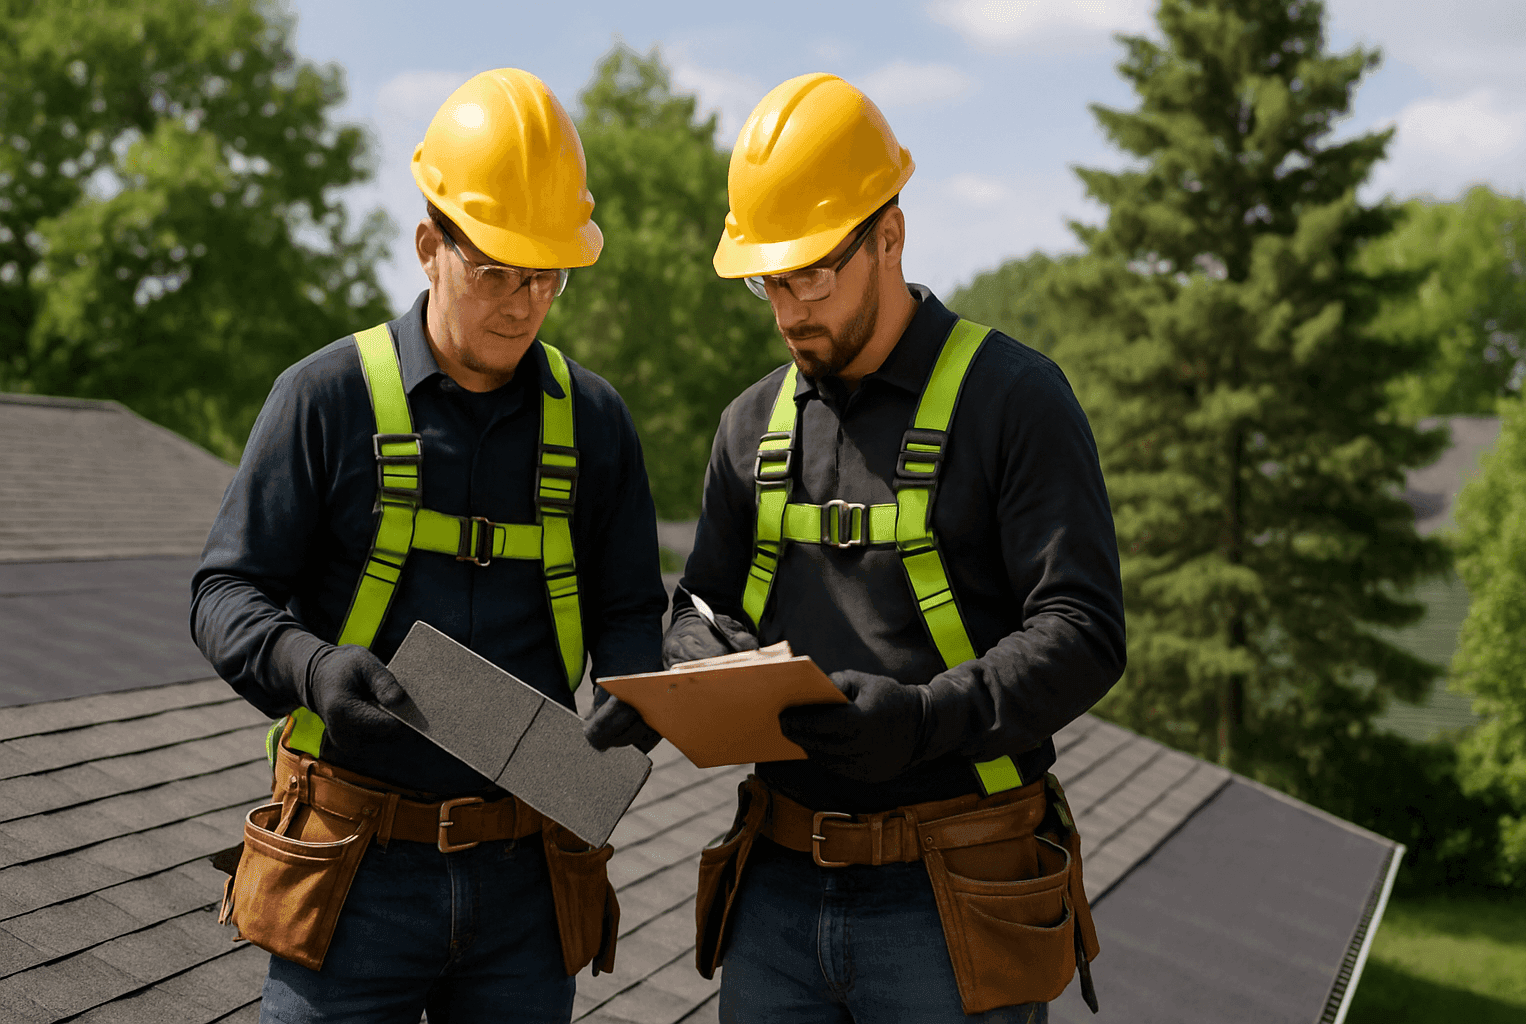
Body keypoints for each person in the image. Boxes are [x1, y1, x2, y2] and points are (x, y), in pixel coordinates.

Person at [588, 73, 1126, 1022]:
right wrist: (691, 656)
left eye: (814, 275)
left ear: (890, 235)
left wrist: (922, 720)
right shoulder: (750, 424)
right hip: (777, 892)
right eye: (770, 281)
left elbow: (1083, 632)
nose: (791, 308)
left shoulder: (1015, 401)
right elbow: (701, 600)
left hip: (958, 889)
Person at [192, 68, 666, 1023]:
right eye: (495, 269)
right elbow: (224, 591)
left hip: (531, 871)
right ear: (427, 246)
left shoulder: (597, 424)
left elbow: (627, 609)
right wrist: (313, 668)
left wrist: (632, 691)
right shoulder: (324, 399)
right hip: (352, 866)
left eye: (547, 275)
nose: (524, 302)